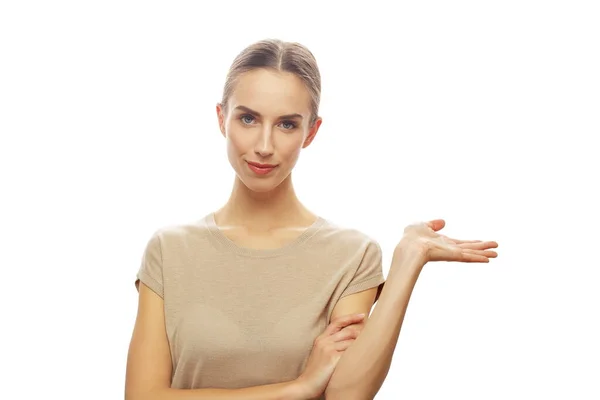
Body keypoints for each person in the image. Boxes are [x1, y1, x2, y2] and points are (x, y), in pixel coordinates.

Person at [125, 38, 499, 400]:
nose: (264, 145)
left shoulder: (351, 255)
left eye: (287, 124)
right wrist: (297, 389)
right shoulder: (170, 250)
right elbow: (141, 397)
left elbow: (348, 394)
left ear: (311, 132)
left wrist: (407, 261)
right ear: (222, 118)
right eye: (249, 118)